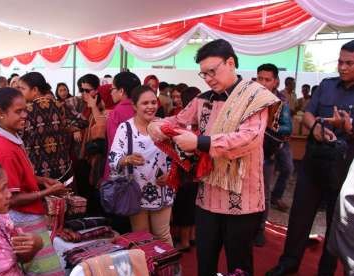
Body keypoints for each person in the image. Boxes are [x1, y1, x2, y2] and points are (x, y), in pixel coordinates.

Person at [148, 39, 280, 275]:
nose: (208, 78)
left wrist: (199, 142)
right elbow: (178, 120)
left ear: (230, 63)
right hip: (208, 194)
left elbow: (249, 139)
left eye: (212, 71)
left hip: (243, 198)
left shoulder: (256, 97)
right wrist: (157, 125)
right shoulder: (203, 99)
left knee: (238, 265)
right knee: (205, 259)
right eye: (203, 73)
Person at [267, 40, 354, 276]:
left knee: (336, 223)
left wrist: (348, 126)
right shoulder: (327, 85)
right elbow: (307, 114)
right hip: (314, 163)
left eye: (349, 63)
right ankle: (288, 265)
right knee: (299, 218)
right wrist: (316, 127)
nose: (342, 67)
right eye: (340, 62)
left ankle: (325, 271)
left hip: (344, 170)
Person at [0, 87, 65, 276]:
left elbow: (20, 175)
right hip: (23, 218)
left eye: (25, 110)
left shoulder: (12, 138)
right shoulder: (5, 149)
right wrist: (47, 192)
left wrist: (42, 180)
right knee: (45, 270)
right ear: (1, 113)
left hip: (27, 216)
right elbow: (12, 199)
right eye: (18, 111)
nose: (24, 116)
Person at [109, 85, 174, 245]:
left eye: (153, 102)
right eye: (145, 103)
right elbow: (113, 158)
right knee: (142, 237)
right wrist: (127, 159)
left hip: (162, 188)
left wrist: (172, 175)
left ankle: (169, 269)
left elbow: (178, 157)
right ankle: (147, 269)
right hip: (135, 190)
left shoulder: (164, 126)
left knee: (163, 235)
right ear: (134, 106)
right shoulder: (126, 128)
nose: (151, 107)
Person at [19, 72, 87, 182]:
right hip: (61, 165)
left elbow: (19, 135)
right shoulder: (60, 105)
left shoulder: (26, 110)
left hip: (36, 169)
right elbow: (83, 121)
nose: (20, 92)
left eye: (22, 88)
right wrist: (64, 128)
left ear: (35, 90)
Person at [254, 63, 292, 247]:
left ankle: (260, 229)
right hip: (246, 152)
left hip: (266, 154)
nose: (262, 82)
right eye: (260, 78)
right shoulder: (250, 98)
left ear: (275, 82)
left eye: (267, 79)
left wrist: (269, 126)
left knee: (263, 193)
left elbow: (288, 128)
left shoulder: (280, 103)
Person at [171, 85, 201, 252]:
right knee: (192, 206)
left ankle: (184, 242)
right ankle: (191, 236)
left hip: (185, 171)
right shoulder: (204, 121)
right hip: (199, 172)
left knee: (183, 206)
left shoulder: (184, 122)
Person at [73, 74, 107, 214]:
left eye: (87, 90)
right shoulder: (84, 106)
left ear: (96, 91)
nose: (84, 94)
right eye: (82, 90)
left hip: (95, 156)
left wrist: (93, 106)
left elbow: (100, 128)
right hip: (82, 154)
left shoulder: (101, 108)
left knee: (92, 190)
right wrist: (75, 130)